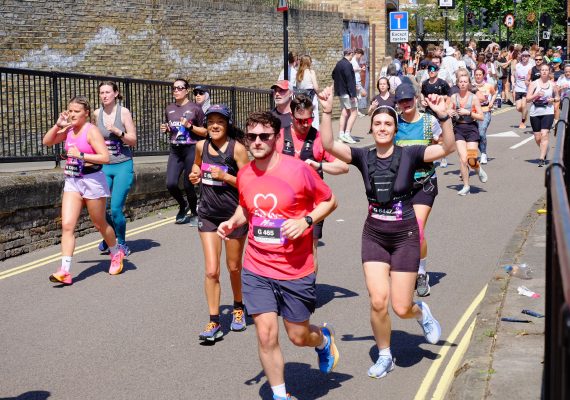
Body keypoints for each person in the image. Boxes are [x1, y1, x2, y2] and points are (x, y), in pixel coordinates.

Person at [319, 85, 452, 379]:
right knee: (378, 301)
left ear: (395, 128)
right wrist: (326, 112)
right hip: (375, 236)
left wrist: (444, 119)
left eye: (388, 123)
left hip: (405, 236)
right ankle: (385, 355)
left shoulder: (411, 154)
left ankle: (421, 313)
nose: (382, 127)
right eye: (377, 123)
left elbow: (446, 148)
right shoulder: (363, 157)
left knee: (401, 307)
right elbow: (328, 145)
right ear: (372, 127)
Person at [217, 111, 339, 400]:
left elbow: (330, 200)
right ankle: (280, 395)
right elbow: (247, 208)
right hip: (257, 267)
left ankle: (322, 340)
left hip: (295, 269)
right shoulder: (245, 173)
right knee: (265, 334)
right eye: (252, 137)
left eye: (264, 136)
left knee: (298, 336)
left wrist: (306, 221)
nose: (257, 142)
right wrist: (234, 221)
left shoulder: (298, 170)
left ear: (276, 137)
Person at [43, 96, 125, 285]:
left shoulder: (91, 131)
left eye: (76, 111)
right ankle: (64, 270)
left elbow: (104, 157)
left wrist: (81, 155)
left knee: (99, 224)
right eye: (70, 110)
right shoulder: (69, 129)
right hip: (72, 180)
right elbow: (47, 142)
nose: (72, 114)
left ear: (86, 113)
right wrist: (57, 126)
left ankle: (115, 253)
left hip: (92, 180)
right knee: (67, 225)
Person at [188, 104, 251, 341]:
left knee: (233, 267)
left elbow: (249, 183)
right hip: (208, 214)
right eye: (211, 121)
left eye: (220, 122)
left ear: (227, 124)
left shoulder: (238, 150)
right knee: (211, 270)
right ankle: (214, 320)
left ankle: (238, 307)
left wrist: (225, 176)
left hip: (233, 216)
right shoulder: (200, 146)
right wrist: (194, 174)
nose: (215, 125)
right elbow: (196, 166)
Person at [276, 94, 349, 274]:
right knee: (282, 248)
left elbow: (343, 166)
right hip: (284, 204)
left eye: (308, 120)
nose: (305, 124)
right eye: (300, 120)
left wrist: (320, 165)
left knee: (310, 249)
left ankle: (308, 292)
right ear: (291, 117)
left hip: (313, 205)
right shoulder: (279, 136)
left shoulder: (319, 139)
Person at [392, 83, 446, 297]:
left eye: (409, 99)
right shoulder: (393, 123)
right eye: (401, 101)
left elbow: (441, 145)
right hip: (400, 186)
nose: (405, 104)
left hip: (424, 182)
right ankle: (404, 267)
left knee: (418, 229)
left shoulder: (428, 122)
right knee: (401, 231)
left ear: (416, 99)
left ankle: (421, 272)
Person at [93, 81, 137, 256]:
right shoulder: (96, 114)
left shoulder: (123, 112)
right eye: (102, 92)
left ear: (116, 93)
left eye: (108, 92)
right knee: (99, 210)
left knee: (116, 208)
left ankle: (122, 243)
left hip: (122, 164)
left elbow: (133, 140)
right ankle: (109, 236)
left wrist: (119, 132)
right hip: (103, 165)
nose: (104, 95)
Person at [160, 78, 207, 225]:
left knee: (188, 184)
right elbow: (173, 128)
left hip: (191, 149)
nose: (176, 91)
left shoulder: (195, 108)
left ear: (187, 90)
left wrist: (190, 126)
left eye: (180, 88)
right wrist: (167, 129)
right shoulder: (169, 108)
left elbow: (205, 132)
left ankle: (194, 212)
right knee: (171, 183)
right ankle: (183, 205)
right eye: (174, 88)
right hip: (175, 149)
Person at [450, 75, 487, 195]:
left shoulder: (474, 98)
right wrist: (450, 111)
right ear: (457, 83)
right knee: (462, 159)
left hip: (471, 128)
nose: (463, 84)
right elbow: (447, 110)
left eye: (465, 82)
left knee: (471, 159)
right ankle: (466, 186)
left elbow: (481, 117)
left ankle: (477, 168)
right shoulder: (453, 97)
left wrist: (469, 112)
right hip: (458, 128)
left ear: (469, 84)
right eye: (460, 82)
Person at [527, 63, 560, 167]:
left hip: (548, 112)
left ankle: (541, 158)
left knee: (544, 134)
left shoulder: (553, 84)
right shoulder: (534, 84)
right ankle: (545, 149)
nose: (544, 72)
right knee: (537, 137)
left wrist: (553, 99)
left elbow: (558, 98)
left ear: (549, 71)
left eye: (546, 70)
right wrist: (536, 95)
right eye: (542, 70)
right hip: (535, 112)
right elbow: (527, 99)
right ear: (539, 72)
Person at [331, 48, 358, 144]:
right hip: (347, 92)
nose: (352, 57)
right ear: (350, 54)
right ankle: (346, 134)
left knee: (345, 112)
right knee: (354, 112)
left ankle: (341, 134)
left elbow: (333, 75)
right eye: (352, 54)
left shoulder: (339, 63)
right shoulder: (348, 64)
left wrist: (339, 83)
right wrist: (352, 94)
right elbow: (350, 80)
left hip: (340, 91)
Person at [474, 68, 497, 165]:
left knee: (481, 132)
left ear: (483, 75)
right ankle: (481, 152)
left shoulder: (488, 86)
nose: (478, 76)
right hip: (473, 113)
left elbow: (495, 93)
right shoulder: (471, 86)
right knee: (476, 135)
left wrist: (491, 102)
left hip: (485, 112)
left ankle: (483, 154)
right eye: (476, 74)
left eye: (480, 74)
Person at [295, 55, 321, 129]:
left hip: (301, 97)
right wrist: (319, 94)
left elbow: (297, 87)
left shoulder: (298, 73)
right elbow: (315, 87)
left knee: (304, 114)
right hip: (311, 96)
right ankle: (315, 131)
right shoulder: (311, 72)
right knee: (314, 114)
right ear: (308, 62)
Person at [512, 51, 533, 129]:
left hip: (526, 89)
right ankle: (525, 113)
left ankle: (522, 122)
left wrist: (530, 82)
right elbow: (512, 75)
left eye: (526, 56)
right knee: (518, 108)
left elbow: (533, 78)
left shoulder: (531, 66)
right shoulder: (517, 66)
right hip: (518, 88)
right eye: (523, 56)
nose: (524, 57)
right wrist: (513, 82)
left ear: (529, 57)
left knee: (524, 106)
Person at [352, 48, 368, 117]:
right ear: (357, 54)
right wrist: (360, 69)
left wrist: (360, 69)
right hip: (355, 81)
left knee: (358, 96)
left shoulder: (355, 60)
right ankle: (356, 111)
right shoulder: (353, 60)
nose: (361, 57)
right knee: (360, 94)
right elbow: (352, 69)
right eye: (361, 55)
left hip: (357, 80)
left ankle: (356, 111)